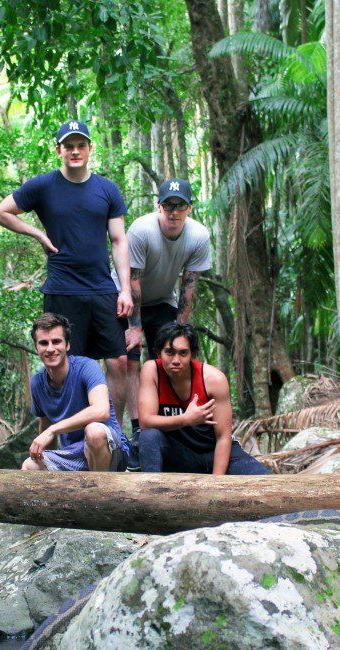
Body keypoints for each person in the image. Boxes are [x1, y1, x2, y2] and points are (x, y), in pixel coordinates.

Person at [0, 120, 134, 422]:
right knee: (64, 364)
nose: (75, 151)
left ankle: (113, 432)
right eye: (69, 146)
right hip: (62, 289)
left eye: (81, 145)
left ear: (90, 148)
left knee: (120, 361)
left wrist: (124, 289)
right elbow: (0, 213)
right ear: (59, 150)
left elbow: (119, 240)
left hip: (101, 289)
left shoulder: (107, 190)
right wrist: (38, 234)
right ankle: (68, 439)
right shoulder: (44, 186)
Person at [109, 177, 213, 464]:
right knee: (130, 359)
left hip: (164, 299)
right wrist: (135, 328)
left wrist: (181, 326)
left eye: (180, 206)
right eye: (168, 205)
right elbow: (133, 283)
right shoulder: (142, 230)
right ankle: (136, 430)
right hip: (125, 295)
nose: (173, 212)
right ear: (159, 206)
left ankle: (173, 422)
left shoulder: (199, 236)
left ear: (189, 208)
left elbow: (190, 284)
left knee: (171, 357)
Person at [138, 322, 269, 475]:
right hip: (181, 454)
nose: (176, 360)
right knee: (149, 436)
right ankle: (151, 493)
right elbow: (145, 422)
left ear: (192, 355)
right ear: (159, 353)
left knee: (266, 481)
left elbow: (223, 438)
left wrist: (214, 484)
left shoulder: (214, 380)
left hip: (217, 452)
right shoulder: (151, 371)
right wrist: (186, 419)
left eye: (183, 353)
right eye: (169, 352)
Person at [23, 313, 130, 472]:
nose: (50, 349)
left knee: (94, 431)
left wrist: (52, 431)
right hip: (74, 455)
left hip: (110, 451)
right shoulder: (37, 382)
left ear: (67, 345)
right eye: (44, 343)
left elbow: (101, 410)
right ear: (36, 347)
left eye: (56, 341)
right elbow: (45, 422)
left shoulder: (88, 367)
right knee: (30, 466)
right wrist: (42, 450)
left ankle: (99, 493)